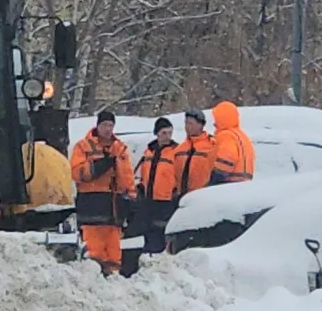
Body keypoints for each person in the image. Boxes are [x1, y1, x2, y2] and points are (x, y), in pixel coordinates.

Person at [70, 110, 135, 276]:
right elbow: (76, 173)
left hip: (114, 204)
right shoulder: (83, 146)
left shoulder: (120, 148)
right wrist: (99, 166)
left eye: (111, 125)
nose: (108, 129)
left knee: (113, 245)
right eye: (105, 125)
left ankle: (113, 274)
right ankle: (94, 273)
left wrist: (131, 196)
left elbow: (127, 175)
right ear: (97, 126)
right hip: (91, 203)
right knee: (93, 244)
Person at [123, 117, 177, 277]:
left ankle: (158, 269)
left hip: (166, 202)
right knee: (142, 233)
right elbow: (142, 174)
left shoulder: (176, 152)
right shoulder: (149, 152)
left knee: (160, 234)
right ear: (157, 134)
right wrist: (140, 188)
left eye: (170, 132)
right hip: (147, 201)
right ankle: (137, 267)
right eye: (164, 133)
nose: (167, 136)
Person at [173, 109, 215, 202]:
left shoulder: (211, 146)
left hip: (203, 198)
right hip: (181, 198)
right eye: (186, 123)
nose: (187, 127)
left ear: (200, 125)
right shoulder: (180, 149)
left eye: (190, 123)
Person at [210, 101, 255, 184]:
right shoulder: (242, 136)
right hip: (245, 183)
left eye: (216, 119)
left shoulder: (226, 135)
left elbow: (227, 158)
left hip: (228, 182)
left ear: (222, 119)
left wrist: (213, 177)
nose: (214, 123)